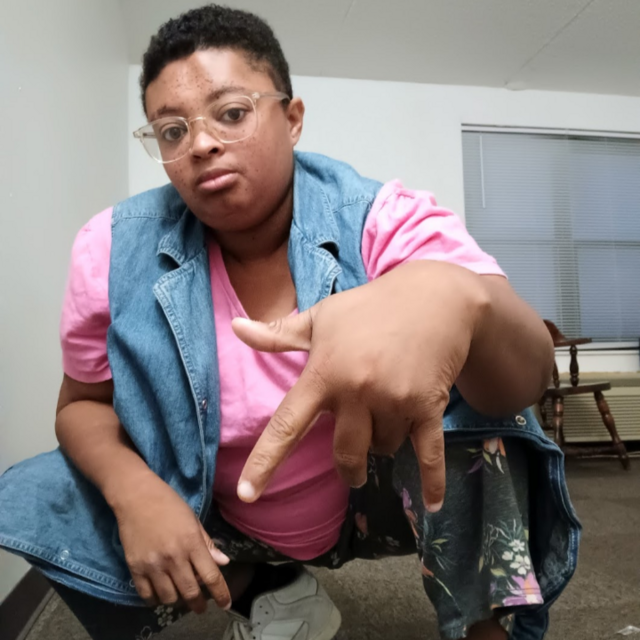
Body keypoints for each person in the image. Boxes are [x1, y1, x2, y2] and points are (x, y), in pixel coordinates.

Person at [0, 5, 580, 640]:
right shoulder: (112, 249)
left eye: (231, 113)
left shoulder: (381, 218)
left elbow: (526, 380)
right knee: (37, 492)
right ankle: (265, 590)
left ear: (292, 118)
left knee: (475, 407)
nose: (201, 144)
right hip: (215, 511)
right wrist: (134, 492)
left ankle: (484, 627)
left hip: (376, 495)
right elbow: (81, 406)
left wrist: (460, 297)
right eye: (171, 130)